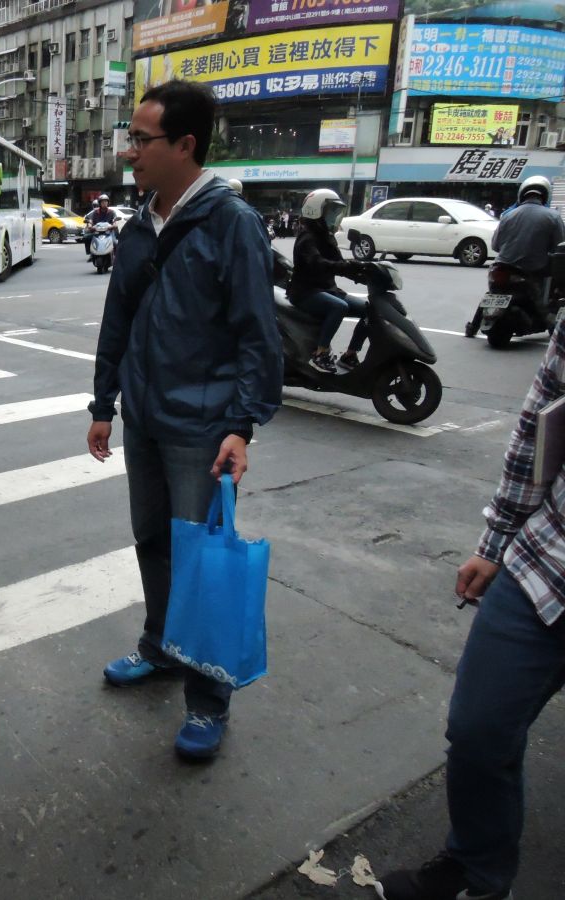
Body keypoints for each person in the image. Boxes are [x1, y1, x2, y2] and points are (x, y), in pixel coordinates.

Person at [87, 80, 283, 760]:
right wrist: (103, 405)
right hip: (144, 417)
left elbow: (258, 335)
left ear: (185, 145)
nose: (131, 151)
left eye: (142, 140)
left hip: (202, 429)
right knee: (152, 541)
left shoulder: (232, 223)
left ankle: (208, 698)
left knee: (202, 561)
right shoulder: (138, 225)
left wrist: (241, 425)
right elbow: (117, 318)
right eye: (132, 138)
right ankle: (160, 647)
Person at [374, 326, 565, 900]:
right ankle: (478, 870)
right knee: (479, 731)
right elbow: (539, 427)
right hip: (545, 560)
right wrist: (496, 542)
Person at [287, 189, 369, 373]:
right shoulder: (307, 237)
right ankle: (320, 353)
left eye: (335, 211)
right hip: (305, 292)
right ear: (316, 210)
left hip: (327, 289)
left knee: (370, 310)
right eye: (331, 211)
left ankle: (350, 355)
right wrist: (346, 267)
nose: (334, 215)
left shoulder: (327, 236)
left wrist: (364, 273)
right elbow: (318, 263)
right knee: (339, 307)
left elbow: (339, 263)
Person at [491, 175, 565, 326]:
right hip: (533, 269)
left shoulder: (507, 215)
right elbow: (560, 248)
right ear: (545, 196)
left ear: (522, 194)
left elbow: (495, 245)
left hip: (502, 266)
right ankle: (548, 315)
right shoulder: (553, 216)